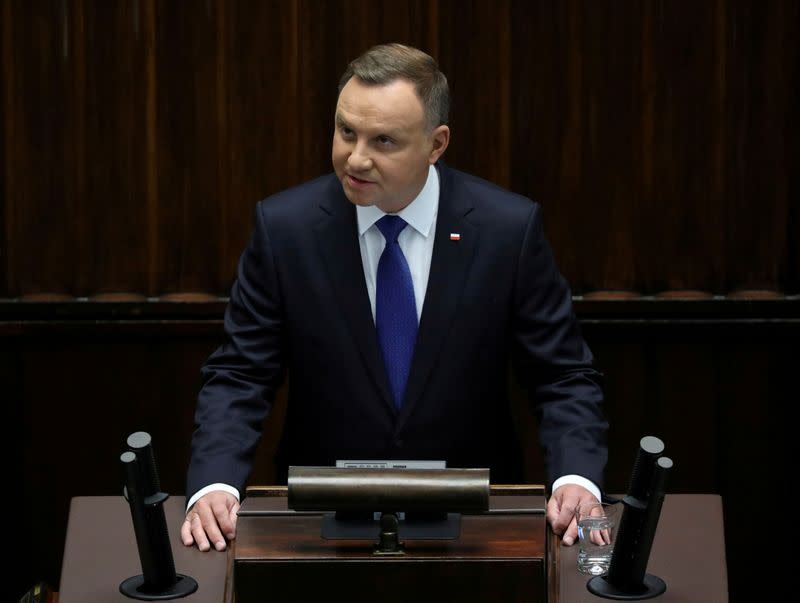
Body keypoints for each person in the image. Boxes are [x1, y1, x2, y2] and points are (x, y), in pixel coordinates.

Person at [181, 43, 608, 553]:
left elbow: (561, 375)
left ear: (436, 144)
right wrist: (215, 483)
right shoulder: (286, 230)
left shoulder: (506, 231)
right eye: (346, 132)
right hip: (322, 525)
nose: (355, 157)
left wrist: (577, 478)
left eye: (383, 140)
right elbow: (241, 373)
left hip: (475, 525)